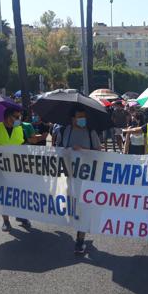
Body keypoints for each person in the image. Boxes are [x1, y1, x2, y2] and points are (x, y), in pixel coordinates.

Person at [59, 106, 102, 253]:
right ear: (72, 118)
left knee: (83, 207)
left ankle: (80, 239)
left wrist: (83, 151)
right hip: (70, 177)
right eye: (79, 117)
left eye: (84, 116)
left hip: (87, 178)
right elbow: (59, 151)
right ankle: (81, 232)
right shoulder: (65, 131)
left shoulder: (91, 132)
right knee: (73, 207)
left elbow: (99, 152)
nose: (82, 119)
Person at [0, 108, 31, 231]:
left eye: (19, 117)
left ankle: (21, 215)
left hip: (17, 168)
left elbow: (25, 144)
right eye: (16, 117)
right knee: (4, 195)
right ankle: (6, 221)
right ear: (7, 117)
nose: (18, 119)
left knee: (19, 193)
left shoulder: (19, 128)